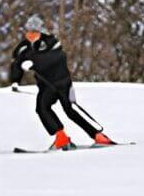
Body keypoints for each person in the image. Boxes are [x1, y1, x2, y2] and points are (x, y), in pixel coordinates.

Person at [10, 16, 115, 150]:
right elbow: (17, 63)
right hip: (46, 85)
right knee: (42, 108)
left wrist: (34, 63)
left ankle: (99, 136)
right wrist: (15, 80)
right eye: (28, 32)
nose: (30, 35)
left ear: (40, 32)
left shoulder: (50, 42)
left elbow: (55, 58)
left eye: (34, 32)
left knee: (71, 110)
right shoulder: (24, 48)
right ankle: (61, 138)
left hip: (62, 83)